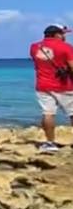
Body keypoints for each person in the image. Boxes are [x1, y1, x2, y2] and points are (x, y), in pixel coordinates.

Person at [29, 24, 73, 153]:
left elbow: (40, 61)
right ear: (57, 34)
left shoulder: (34, 47)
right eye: (63, 34)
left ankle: (50, 142)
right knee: (72, 113)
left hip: (43, 85)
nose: (65, 36)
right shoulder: (66, 47)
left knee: (48, 113)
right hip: (64, 85)